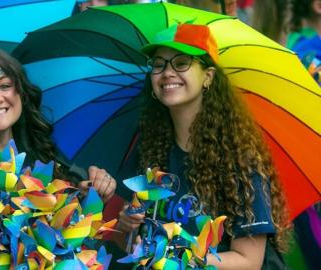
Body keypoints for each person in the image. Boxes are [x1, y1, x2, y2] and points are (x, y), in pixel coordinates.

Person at [115, 23, 290, 268]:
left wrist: (179, 261)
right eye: (158, 64)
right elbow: (132, 244)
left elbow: (249, 262)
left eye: (181, 62)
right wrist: (128, 228)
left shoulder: (238, 158)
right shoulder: (148, 149)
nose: (167, 72)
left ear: (208, 77)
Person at [0, 45, 116, 202]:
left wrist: (94, 191)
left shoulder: (45, 154)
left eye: (5, 85)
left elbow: (77, 220)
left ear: (20, 92)